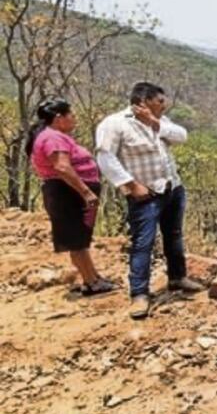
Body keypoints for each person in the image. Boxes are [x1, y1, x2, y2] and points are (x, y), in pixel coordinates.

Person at [95, 82, 202, 319]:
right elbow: (105, 158)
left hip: (172, 188)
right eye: (160, 101)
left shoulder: (160, 121)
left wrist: (154, 122)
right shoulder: (115, 124)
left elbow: (182, 136)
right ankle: (139, 293)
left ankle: (177, 277)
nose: (164, 105)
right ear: (144, 102)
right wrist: (130, 184)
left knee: (174, 235)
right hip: (146, 194)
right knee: (143, 242)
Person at [27, 98, 117, 295]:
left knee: (80, 239)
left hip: (68, 193)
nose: (74, 119)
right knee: (76, 240)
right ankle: (91, 282)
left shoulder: (54, 136)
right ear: (59, 118)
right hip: (67, 194)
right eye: (71, 115)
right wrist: (85, 192)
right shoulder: (52, 138)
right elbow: (62, 167)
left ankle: (93, 277)